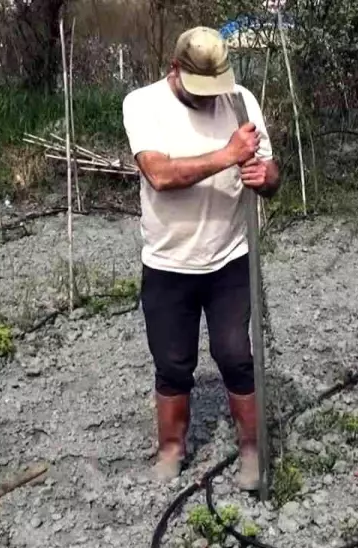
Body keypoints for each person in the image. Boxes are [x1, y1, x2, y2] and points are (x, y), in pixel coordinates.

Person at [121, 26, 280, 488]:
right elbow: (160, 175)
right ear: (175, 70)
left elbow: (271, 174)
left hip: (230, 257)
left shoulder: (241, 100)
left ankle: (252, 450)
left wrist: (263, 174)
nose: (212, 99)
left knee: (236, 355)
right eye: (201, 89)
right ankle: (171, 450)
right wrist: (229, 155)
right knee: (172, 363)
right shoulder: (142, 104)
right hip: (169, 263)